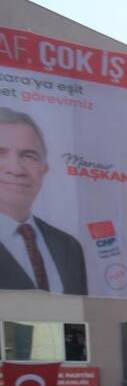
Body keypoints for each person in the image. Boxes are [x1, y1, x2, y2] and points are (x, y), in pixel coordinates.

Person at [0, 108, 88, 294]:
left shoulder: (69, 246)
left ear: (44, 169)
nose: (16, 169)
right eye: (0, 153)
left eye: (29, 156)